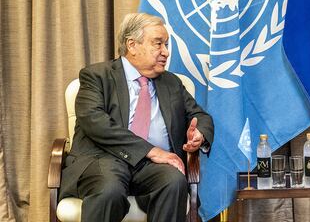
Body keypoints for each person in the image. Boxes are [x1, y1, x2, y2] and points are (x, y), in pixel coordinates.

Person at [59, 13, 214, 222]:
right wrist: (151, 151)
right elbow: (94, 121)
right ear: (132, 45)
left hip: (151, 169)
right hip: (104, 160)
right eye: (158, 44)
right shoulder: (97, 76)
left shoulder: (172, 83)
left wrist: (199, 134)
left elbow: (199, 115)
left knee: (174, 181)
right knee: (109, 190)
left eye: (166, 45)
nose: (166, 52)